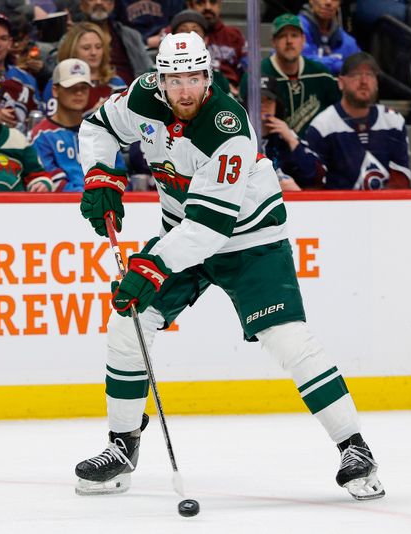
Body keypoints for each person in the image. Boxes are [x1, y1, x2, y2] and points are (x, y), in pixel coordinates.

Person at [74, 32, 385, 501]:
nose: (184, 90)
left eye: (194, 78)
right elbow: (97, 125)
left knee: (288, 341)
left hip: (249, 241)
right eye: (174, 79)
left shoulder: (228, 128)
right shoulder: (142, 98)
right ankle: (121, 447)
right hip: (181, 232)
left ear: (209, 76)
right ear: (160, 79)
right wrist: (101, 175)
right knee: (130, 321)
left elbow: (210, 227)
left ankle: (355, 448)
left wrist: (152, 266)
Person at [305, 52, 410, 190]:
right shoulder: (322, 126)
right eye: (356, 74)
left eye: (370, 75)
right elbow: (315, 184)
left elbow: (401, 180)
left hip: (385, 209)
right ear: (341, 83)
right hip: (338, 209)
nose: (364, 81)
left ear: (377, 83)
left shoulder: (394, 121)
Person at [31, 59, 126, 191]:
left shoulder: (101, 131)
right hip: (63, 207)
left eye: (84, 87)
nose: (79, 93)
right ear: (55, 91)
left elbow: (120, 174)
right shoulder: (41, 135)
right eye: (71, 88)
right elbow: (53, 183)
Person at [241, 14, 341, 137]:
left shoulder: (321, 74)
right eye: (282, 36)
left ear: (303, 40)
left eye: (294, 35)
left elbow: (339, 111)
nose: (289, 41)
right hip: (272, 150)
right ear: (273, 42)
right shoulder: (255, 76)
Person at [43, 22, 127, 114]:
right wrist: (93, 116)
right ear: (73, 51)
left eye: (98, 47)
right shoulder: (59, 83)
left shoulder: (117, 83)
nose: (94, 52)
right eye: (86, 48)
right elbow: (52, 123)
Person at [257, 75, 321, 191]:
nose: (263, 105)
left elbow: (315, 175)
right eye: (259, 100)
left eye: (269, 99)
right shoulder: (241, 136)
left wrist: (291, 139)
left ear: (277, 105)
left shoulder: (286, 136)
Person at [77, 0, 153, 85]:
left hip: (132, 94)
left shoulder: (131, 36)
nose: (99, 2)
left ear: (112, 4)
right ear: (82, 5)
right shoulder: (70, 40)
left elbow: (148, 72)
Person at [186, 0, 247, 93]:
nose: (208, 7)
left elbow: (250, 70)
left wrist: (241, 91)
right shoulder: (178, 33)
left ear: (219, 5)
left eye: (213, 2)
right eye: (200, 3)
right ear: (190, 6)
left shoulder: (234, 35)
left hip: (230, 95)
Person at [298, 0, 360, 75]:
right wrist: (338, 65)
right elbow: (300, 61)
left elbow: (361, 67)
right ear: (311, 1)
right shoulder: (295, 29)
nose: (328, 2)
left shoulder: (348, 42)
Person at [115, 0, 185, 48]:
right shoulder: (119, 3)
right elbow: (114, 28)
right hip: (132, 48)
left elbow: (180, 20)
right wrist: (145, 41)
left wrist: (167, 32)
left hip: (166, 43)